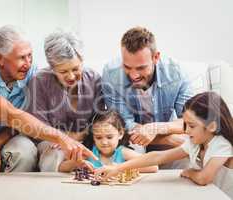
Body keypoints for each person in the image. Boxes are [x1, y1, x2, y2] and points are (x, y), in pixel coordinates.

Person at [0, 27, 96, 172]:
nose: (28, 63)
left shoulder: (29, 71)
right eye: (21, 57)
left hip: (8, 134)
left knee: (23, 151)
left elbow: (17, 122)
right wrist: (61, 138)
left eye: (30, 55)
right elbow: (12, 115)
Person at [96, 92, 233, 199]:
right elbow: (159, 156)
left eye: (191, 126)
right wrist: (118, 168)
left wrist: (190, 172)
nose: (186, 131)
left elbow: (203, 178)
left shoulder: (221, 144)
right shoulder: (196, 144)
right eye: (185, 125)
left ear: (212, 126)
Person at [102, 26, 193, 167]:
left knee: (189, 149)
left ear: (156, 57)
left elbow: (190, 121)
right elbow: (123, 125)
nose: (133, 75)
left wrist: (156, 128)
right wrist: (168, 139)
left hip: (167, 133)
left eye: (141, 68)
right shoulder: (111, 74)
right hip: (134, 142)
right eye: (127, 67)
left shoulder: (176, 73)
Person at [25, 31, 104, 172]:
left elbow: (99, 119)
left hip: (86, 139)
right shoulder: (39, 81)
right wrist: (62, 139)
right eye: (63, 72)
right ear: (52, 67)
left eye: (76, 68)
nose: (71, 76)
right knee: (54, 155)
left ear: (82, 61)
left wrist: (78, 136)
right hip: (51, 142)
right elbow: (39, 127)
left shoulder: (93, 78)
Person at [58, 110, 158, 173]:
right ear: (93, 136)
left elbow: (153, 166)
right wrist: (77, 163)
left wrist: (120, 168)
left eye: (109, 137)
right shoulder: (90, 153)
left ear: (120, 134)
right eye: (98, 137)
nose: (104, 142)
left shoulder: (122, 152)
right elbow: (61, 168)